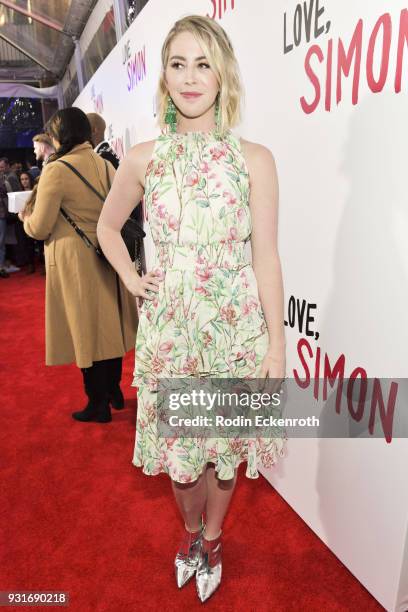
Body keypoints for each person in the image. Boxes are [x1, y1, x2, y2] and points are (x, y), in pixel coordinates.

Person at [97, 15, 286, 602]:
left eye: (203, 63)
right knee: (183, 463)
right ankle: (190, 533)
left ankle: (215, 536)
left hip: (234, 331)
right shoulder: (144, 159)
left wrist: (277, 345)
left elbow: (267, 257)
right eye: (178, 63)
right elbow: (107, 226)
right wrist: (133, 278)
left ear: (223, 73)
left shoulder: (254, 158)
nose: (189, 77)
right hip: (173, 331)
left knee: (224, 455)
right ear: (164, 78)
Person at [19, 108, 138, 423]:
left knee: (85, 332)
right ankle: (113, 391)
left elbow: (41, 226)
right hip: (109, 253)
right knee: (109, 329)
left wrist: (25, 220)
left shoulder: (57, 170)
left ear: (60, 135)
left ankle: (96, 404)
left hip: (76, 261)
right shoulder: (104, 164)